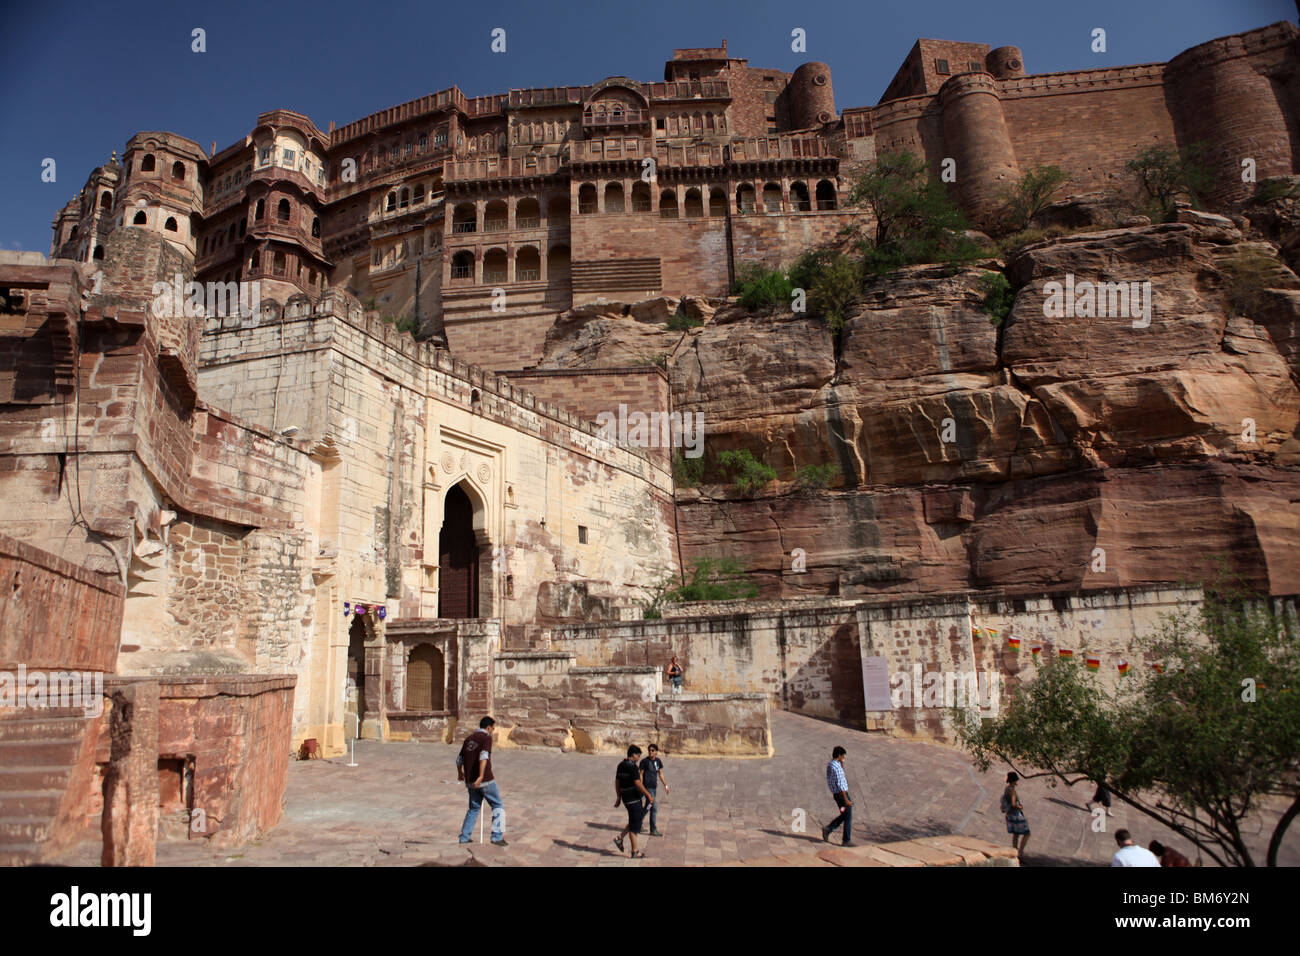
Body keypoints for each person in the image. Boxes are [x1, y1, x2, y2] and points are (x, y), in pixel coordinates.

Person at [457, 716, 506, 846]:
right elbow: (483, 756)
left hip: (470, 781)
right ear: (488, 727)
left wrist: (460, 773)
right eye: (493, 728)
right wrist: (481, 776)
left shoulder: (468, 739)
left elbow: (459, 759)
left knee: (473, 808)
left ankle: (464, 837)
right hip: (485, 780)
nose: (493, 731)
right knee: (497, 805)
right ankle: (497, 836)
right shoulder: (486, 738)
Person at [614, 744, 654, 858]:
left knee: (634, 820)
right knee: (635, 826)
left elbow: (617, 782)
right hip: (634, 799)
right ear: (633, 755)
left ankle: (619, 838)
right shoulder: (633, 767)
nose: (638, 759)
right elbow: (637, 783)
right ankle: (635, 851)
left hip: (626, 799)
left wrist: (618, 797)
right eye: (638, 756)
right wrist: (648, 795)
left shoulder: (620, 765)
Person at [820, 746, 853, 846]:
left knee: (844, 814)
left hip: (837, 796)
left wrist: (842, 763)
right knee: (848, 817)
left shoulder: (832, 764)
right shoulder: (836, 767)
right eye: (843, 756)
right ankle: (846, 840)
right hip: (842, 796)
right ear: (839, 755)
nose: (844, 758)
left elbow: (841, 775)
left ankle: (828, 829)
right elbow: (841, 784)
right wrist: (846, 800)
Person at [639, 743, 670, 836]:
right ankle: (653, 829)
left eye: (652, 750)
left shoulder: (658, 761)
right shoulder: (644, 762)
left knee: (648, 807)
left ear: (656, 752)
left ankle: (638, 822)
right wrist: (640, 786)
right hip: (647, 787)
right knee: (654, 807)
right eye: (649, 750)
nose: (650, 752)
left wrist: (666, 785)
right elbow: (641, 774)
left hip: (653, 787)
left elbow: (660, 773)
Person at [1002, 772, 1030, 861]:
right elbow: (1014, 804)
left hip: (1010, 814)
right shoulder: (1012, 791)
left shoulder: (1007, 789)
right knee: (1027, 833)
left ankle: (1014, 852)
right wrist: (1020, 806)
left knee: (1016, 834)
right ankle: (1020, 853)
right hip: (1016, 815)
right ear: (1015, 780)